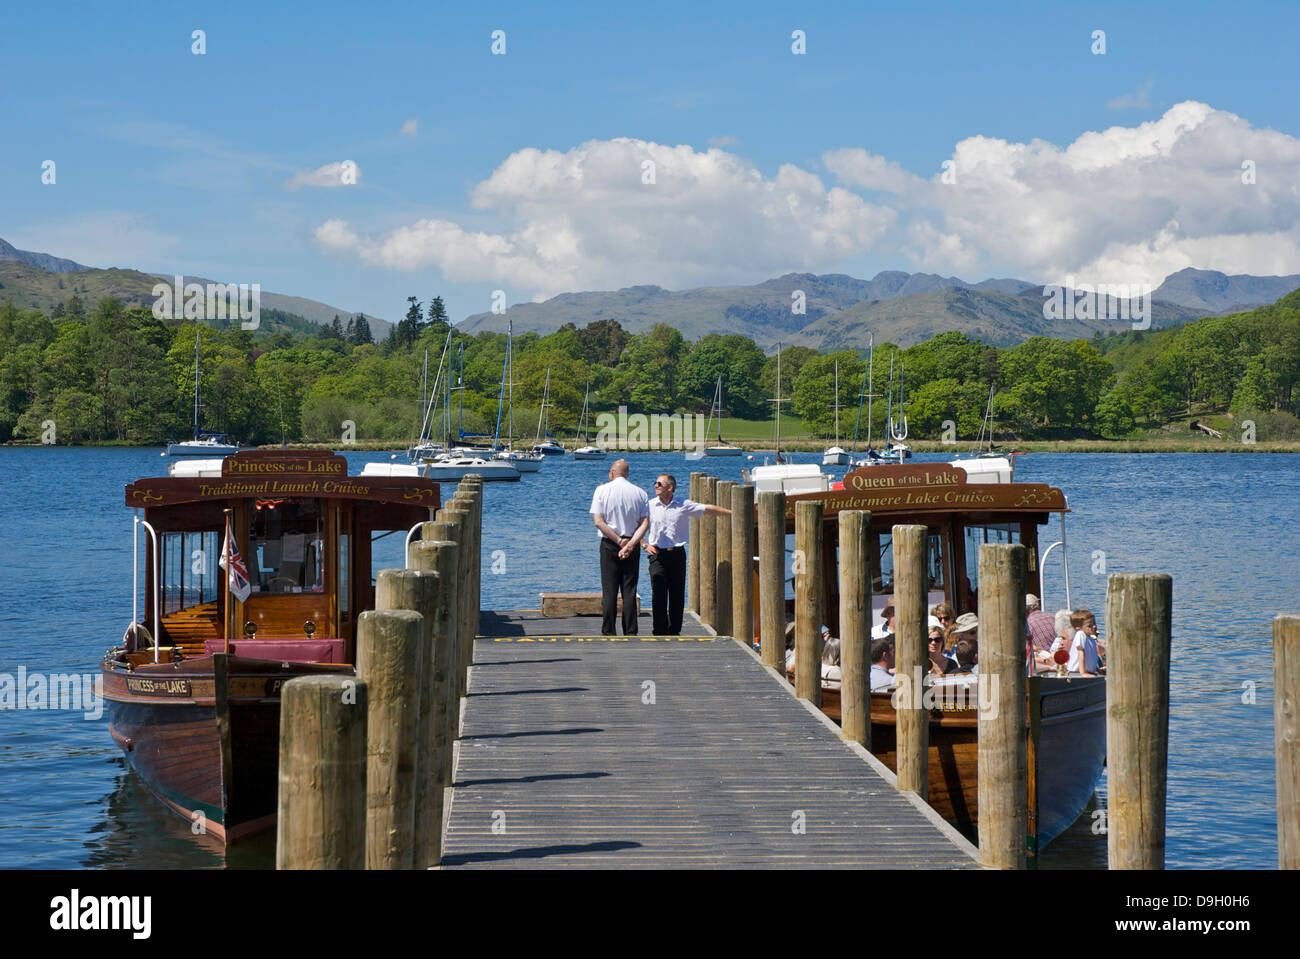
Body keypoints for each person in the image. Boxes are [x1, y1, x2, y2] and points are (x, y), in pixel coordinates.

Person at [644, 473, 730, 635]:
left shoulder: (683, 504)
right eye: (655, 483)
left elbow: (708, 509)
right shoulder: (649, 505)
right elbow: (636, 525)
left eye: (659, 484)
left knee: (677, 593)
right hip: (657, 554)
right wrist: (643, 544)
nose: (655, 486)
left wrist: (733, 513)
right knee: (659, 592)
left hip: (677, 554)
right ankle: (659, 631)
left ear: (670, 488)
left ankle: (674, 630)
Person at [590, 459, 650, 635]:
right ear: (627, 474)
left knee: (609, 591)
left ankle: (608, 630)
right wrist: (630, 544)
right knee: (629, 590)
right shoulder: (640, 493)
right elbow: (645, 523)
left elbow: (598, 522)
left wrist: (618, 541)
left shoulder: (601, 490)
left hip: (610, 543)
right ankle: (630, 630)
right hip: (632, 544)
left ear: (612, 473)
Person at [1067, 608, 1102, 676]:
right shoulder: (1080, 634)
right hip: (1075, 673)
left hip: (1088, 672)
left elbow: (1091, 659)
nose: (1094, 626)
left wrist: (1097, 669)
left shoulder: (1091, 639)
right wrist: (1083, 673)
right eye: (1089, 626)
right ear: (1078, 628)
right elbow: (1080, 652)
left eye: (1094, 623)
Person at [1026, 594, 1057, 669]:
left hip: (1044, 664)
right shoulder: (1053, 617)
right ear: (1037, 605)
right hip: (1059, 658)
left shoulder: (1027, 624)